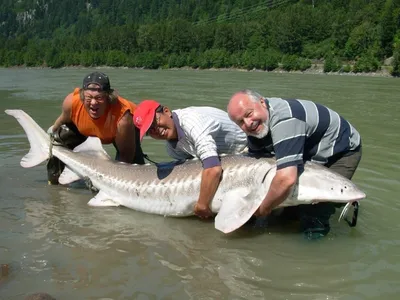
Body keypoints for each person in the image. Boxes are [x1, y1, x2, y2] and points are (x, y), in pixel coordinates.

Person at [227, 89, 362, 239]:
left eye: (249, 114)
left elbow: (286, 179)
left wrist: (263, 209)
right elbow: (258, 169)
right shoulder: (255, 129)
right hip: (306, 149)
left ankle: (312, 252)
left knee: (314, 213)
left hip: (340, 150)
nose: (248, 123)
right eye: (240, 121)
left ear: (262, 102)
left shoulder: (286, 119)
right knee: (287, 210)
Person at [133, 100, 248, 219]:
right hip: (224, 159)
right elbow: (197, 166)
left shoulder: (192, 122)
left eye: (155, 122)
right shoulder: (172, 149)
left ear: (166, 111)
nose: (156, 130)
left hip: (247, 151)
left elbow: (213, 169)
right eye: (150, 130)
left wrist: (202, 205)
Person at [47, 71, 145, 185]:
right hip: (85, 130)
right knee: (60, 136)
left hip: (123, 132)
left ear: (108, 97)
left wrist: (109, 183)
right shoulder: (71, 102)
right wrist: (49, 141)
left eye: (99, 97)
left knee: (135, 177)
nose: (93, 102)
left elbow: (125, 156)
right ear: (82, 96)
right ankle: (56, 183)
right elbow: (60, 122)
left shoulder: (123, 118)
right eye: (88, 97)